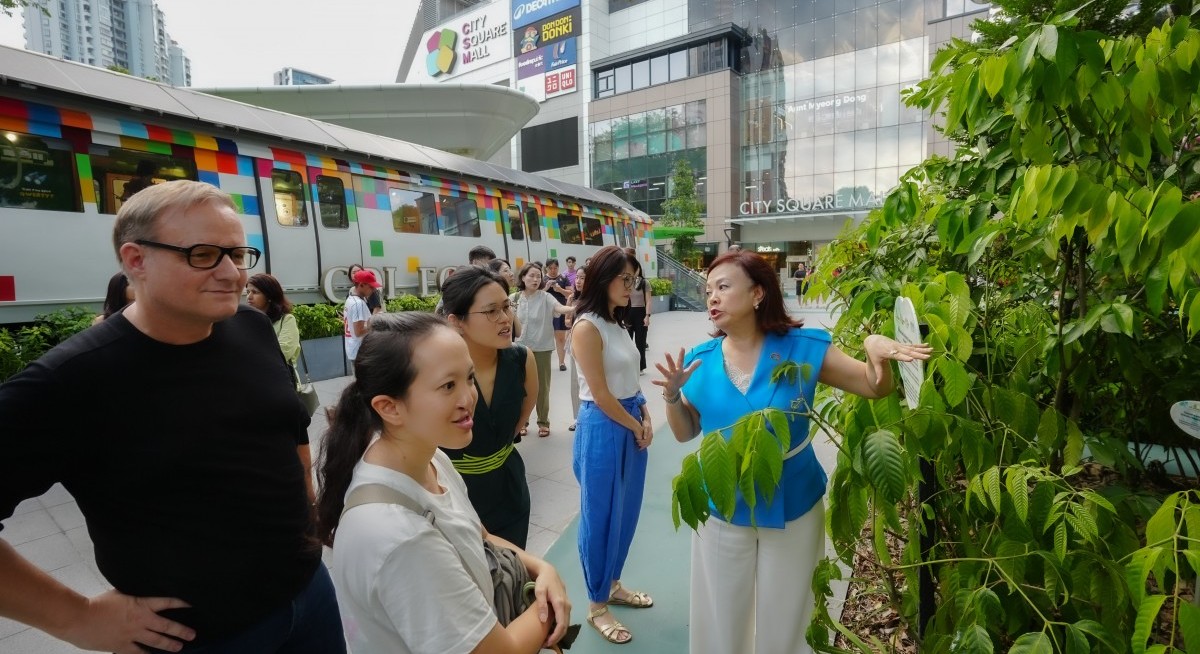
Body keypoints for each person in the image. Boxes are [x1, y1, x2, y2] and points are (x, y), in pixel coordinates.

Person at [0, 180, 345, 653]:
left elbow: (283, 429)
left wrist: (308, 507)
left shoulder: (250, 326)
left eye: (237, 254)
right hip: (197, 639)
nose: (232, 274)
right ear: (136, 260)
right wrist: (76, 618)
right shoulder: (71, 380)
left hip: (311, 597)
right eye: (203, 254)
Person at [653, 249, 932, 654]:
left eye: (723, 287)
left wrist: (874, 351)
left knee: (789, 617)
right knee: (719, 617)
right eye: (708, 289)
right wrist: (672, 396)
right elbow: (686, 432)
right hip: (723, 503)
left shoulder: (803, 349)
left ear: (758, 294)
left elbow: (874, 386)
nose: (712, 296)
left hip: (794, 501)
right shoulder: (698, 361)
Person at [314, 312, 571, 654]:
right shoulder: (401, 538)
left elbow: (477, 535)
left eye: (469, 377)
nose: (469, 398)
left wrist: (542, 568)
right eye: (448, 386)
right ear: (389, 407)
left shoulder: (430, 458)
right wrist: (549, 604)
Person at [570, 246, 654, 645]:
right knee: (600, 516)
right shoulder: (587, 327)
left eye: (634, 280)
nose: (630, 287)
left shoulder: (617, 323)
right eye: (624, 279)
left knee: (626, 512)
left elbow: (631, 383)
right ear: (602, 278)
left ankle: (613, 583)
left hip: (630, 419)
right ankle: (596, 604)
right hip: (603, 428)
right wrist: (637, 426)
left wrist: (646, 417)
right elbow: (601, 395)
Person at [437, 266, 538, 547]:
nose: (505, 319)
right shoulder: (435, 371)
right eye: (491, 311)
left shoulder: (522, 359)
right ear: (457, 321)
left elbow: (522, 415)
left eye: (507, 307)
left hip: (509, 488)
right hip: (454, 493)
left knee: (512, 566)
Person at [512, 263, 573, 438]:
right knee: (519, 387)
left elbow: (559, 308)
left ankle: (543, 422)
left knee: (542, 387)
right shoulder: (513, 298)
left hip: (542, 348)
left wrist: (576, 307)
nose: (535, 279)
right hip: (519, 349)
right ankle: (522, 422)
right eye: (531, 275)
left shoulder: (546, 297)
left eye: (538, 276)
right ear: (523, 277)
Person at [621, 248, 652, 375]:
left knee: (640, 342)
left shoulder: (644, 283)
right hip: (627, 313)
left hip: (640, 313)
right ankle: (628, 366)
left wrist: (647, 316)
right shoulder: (625, 282)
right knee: (626, 342)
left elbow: (648, 301)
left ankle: (640, 367)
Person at [542, 258, 573, 372]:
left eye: (555, 268)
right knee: (545, 337)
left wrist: (560, 290)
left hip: (560, 309)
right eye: (550, 268)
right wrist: (546, 287)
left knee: (560, 337)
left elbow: (570, 294)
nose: (553, 270)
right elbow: (537, 294)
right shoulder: (543, 279)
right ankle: (544, 362)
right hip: (545, 311)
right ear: (546, 268)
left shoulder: (563, 278)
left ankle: (561, 362)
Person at [566, 267, 586, 432]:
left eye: (583, 278)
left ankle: (588, 416)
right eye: (577, 277)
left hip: (589, 345)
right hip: (574, 343)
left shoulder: (594, 299)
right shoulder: (572, 298)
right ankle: (577, 418)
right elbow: (567, 320)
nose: (578, 281)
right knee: (575, 382)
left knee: (588, 382)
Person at [344, 269, 379, 364]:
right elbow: (359, 332)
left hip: (354, 350)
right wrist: (376, 325)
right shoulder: (358, 304)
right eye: (371, 286)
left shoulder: (351, 299)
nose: (373, 289)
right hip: (359, 352)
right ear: (361, 285)